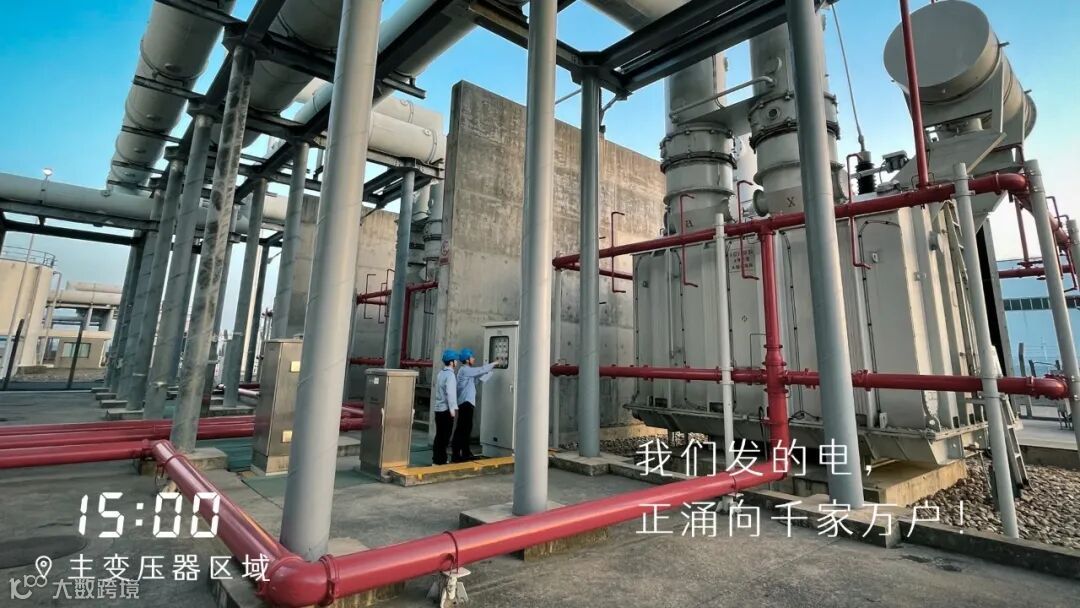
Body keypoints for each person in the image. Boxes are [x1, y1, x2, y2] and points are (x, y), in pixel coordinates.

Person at [452, 348, 497, 462]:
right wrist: (494, 363)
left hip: (467, 404)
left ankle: (465, 453)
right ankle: (457, 455)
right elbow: (480, 370)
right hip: (465, 404)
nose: (473, 359)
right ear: (467, 360)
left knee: (466, 429)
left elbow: (475, 381)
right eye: (472, 357)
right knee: (462, 429)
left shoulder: (467, 372)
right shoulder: (465, 370)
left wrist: (486, 374)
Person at [432, 349, 459, 466]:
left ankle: (436, 459)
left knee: (439, 435)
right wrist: (452, 410)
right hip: (446, 410)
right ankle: (441, 461)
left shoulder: (441, 373)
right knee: (445, 436)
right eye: (455, 360)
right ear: (451, 362)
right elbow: (451, 393)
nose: (456, 362)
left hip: (438, 409)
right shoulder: (450, 375)